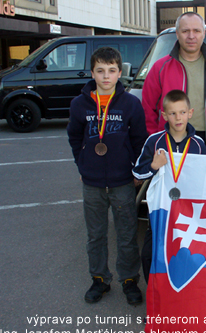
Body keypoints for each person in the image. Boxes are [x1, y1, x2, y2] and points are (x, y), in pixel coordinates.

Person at [67, 47, 148, 305]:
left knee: (126, 233)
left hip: (123, 180)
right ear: (92, 73)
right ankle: (100, 279)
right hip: (91, 182)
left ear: (119, 73)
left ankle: (128, 279)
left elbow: (139, 140)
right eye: (100, 71)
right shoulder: (80, 104)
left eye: (111, 71)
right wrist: (83, 166)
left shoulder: (130, 104)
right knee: (96, 234)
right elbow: (74, 137)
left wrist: (136, 170)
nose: (106, 77)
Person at [133, 90, 206, 283]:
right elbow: (137, 173)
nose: (178, 118)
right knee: (150, 256)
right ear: (164, 115)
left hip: (187, 214)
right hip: (161, 210)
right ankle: (155, 304)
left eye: (182, 112)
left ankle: (178, 302)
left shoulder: (198, 144)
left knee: (184, 259)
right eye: (173, 113)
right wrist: (153, 166)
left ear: (190, 113)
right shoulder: (155, 141)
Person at [141, 12, 206, 144]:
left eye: (196, 31)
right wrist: (157, 140)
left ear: (204, 33)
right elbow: (147, 109)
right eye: (185, 31)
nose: (191, 36)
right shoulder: (160, 68)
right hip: (172, 140)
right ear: (177, 34)